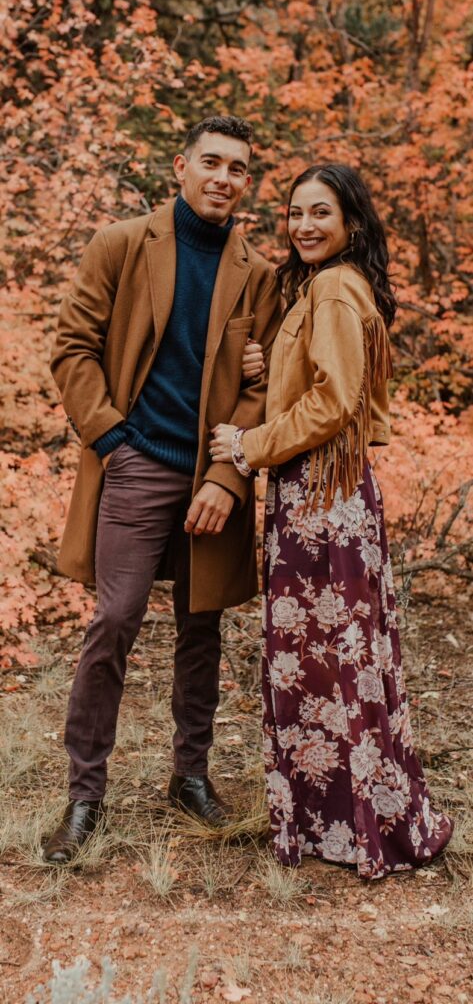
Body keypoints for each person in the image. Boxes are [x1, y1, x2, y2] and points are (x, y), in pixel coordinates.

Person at [44, 115, 281, 864]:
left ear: (247, 182)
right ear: (181, 167)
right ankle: (85, 794)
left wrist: (226, 479)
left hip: (213, 470)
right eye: (210, 162)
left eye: (236, 169)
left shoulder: (260, 273)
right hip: (137, 459)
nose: (222, 178)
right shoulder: (121, 243)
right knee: (114, 619)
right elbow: (73, 347)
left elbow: (263, 387)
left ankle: (190, 776)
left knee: (201, 625)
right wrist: (110, 438)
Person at [211, 163, 453, 880]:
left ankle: (354, 827)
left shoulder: (334, 287)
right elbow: (315, 383)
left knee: (329, 662)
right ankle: (346, 821)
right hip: (323, 494)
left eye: (321, 212)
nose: (304, 225)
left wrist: (248, 445)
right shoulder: (325, 287)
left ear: (351, 221)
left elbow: (335, 402)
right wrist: (264, 371)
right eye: (295, 212)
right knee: (336, 659)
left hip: (322, 498)